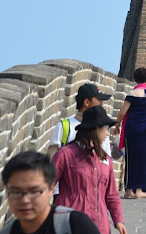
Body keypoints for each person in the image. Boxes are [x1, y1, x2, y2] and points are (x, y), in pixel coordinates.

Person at [52, 106, 127, 234]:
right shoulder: (65, 154)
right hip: (70, 223)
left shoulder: (105, 159)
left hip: (100, 224)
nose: (108, 133)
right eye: (106, 129)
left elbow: (112, 194)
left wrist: (118, 220)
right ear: (96, 128)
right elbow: (46, 185)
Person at [1, 151, 100, 234]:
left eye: (34, 191)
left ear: (51, 189)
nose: (25, 200)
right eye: (16, 192)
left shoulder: (75, 225)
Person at [47, 83, 113, 199]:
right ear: (86, 102)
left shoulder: (102, 129)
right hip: (64, 192)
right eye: (98, 100)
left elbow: (105, 161)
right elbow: (52, 159)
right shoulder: (64, 126)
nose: (102, 104)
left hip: (93, 193)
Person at [114, 67, 146, 199]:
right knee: (144, 158)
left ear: (135, 79)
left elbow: (122, 113)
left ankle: (129, 189)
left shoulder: (132, 94)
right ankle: (139, 189)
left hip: (132, 127)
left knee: (131, 157)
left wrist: (117, 125)